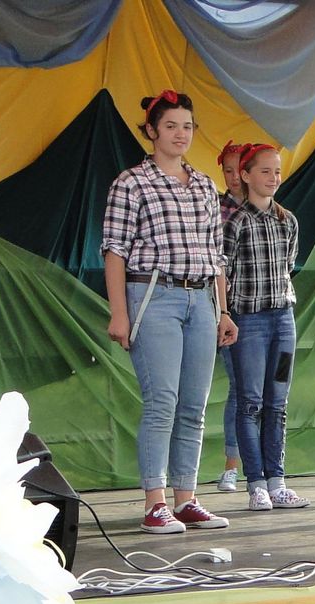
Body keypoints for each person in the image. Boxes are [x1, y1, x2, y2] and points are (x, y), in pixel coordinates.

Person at [102, 89, 238, 534]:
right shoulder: (130, 183)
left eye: (187, 126)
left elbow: (216, 254)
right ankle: (155, 503)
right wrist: (119, 313)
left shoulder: (204, 185)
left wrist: (223, 310)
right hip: (153, 294)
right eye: (171, 126)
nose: (181, 134)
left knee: (194, 405)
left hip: (202, 298)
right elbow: (115, 251)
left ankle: (187, 498)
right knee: (162, 400)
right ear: (151, 131)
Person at [222, 143, 309, 511]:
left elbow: (288, 265)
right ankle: (255, 483)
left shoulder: (288, 221)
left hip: (283, 321)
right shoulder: (235, 222)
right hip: (249, 321)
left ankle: (278, 481)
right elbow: (223, 272)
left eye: (277, 171)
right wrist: (224, 314)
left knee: (278, 402)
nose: (273, 178)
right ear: (245, 175)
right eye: (265, 171)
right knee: (250, 403)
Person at [216, 140, 245, 492]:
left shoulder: (270, 210)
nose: (233, 177)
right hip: (229, 307)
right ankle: (231, 465)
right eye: (227, 170)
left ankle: (267, 469)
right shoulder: (216, 209)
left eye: (239, 169)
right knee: (239, 387)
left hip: (264, 307)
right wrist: (222, 310)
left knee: (265, 390)